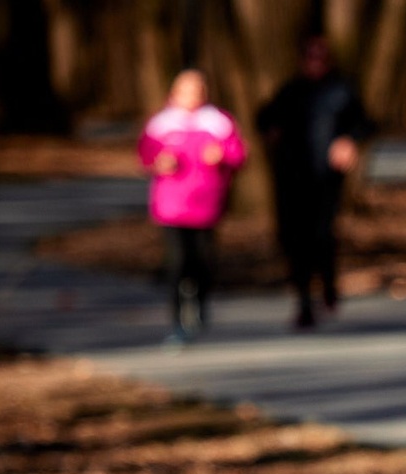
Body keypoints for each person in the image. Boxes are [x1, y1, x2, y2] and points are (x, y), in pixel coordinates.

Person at [255, 36, 373, 329]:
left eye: (321, 57)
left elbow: (364, 123)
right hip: (293, 178)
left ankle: (329, 287)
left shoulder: (342, 90)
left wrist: (349, 141)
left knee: (322, 235)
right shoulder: (290, 91)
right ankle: (304, 301)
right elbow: (264, 117)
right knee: (295, 239)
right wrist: (271, 131)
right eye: (310, 57)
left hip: (326, 178)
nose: (315, 63)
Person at [138, 69, 245, 346]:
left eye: (198, 90)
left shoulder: (218, 122)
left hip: (207, 205)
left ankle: (199, 303)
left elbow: (238, 154)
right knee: (176, 263)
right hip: (171, 206)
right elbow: (145, 154)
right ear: (174, 93)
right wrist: (159, 162)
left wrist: (222, 156)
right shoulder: (161, 124)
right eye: (187, 90)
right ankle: (176, 321)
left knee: (203, 261)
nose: (192, 96)